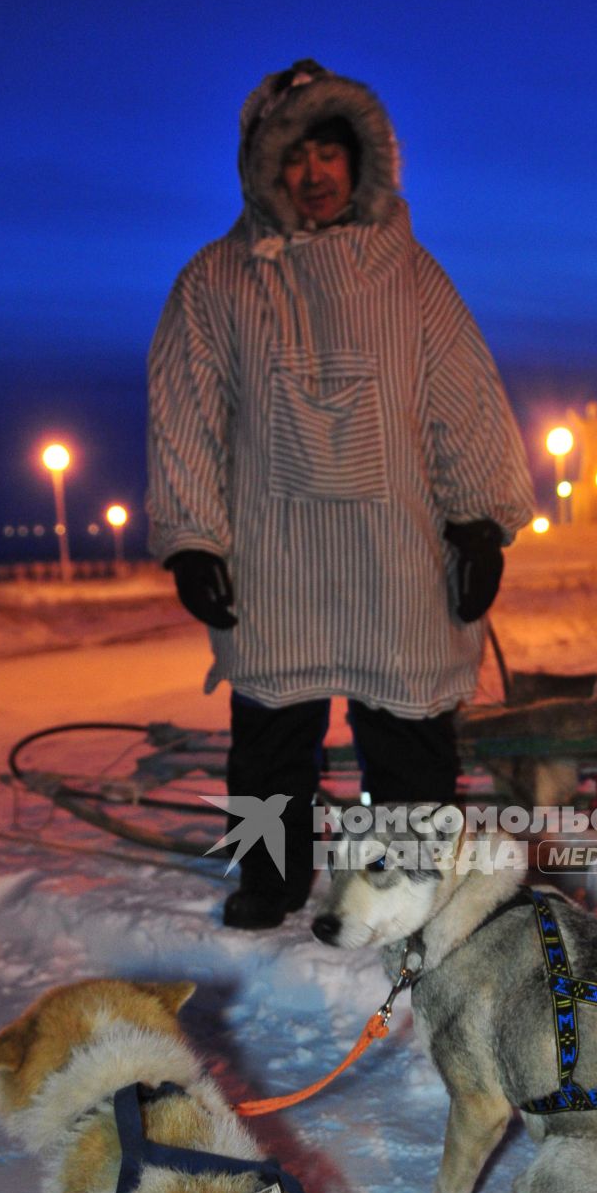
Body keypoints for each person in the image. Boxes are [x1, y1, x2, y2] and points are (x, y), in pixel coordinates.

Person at [147, 60, 534, 929]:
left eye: (330, 153)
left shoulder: (411, 277)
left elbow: (463, 401)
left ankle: (407, 883)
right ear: (263, 170)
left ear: (363, 163)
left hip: (392, 554)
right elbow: (185, 414)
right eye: (294, 156)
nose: (314, 175)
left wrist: (478, 525)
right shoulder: (216, 283)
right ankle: (268, 875)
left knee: (406, 733)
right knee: (268, 741)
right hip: (272, 558)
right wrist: (192, 540)